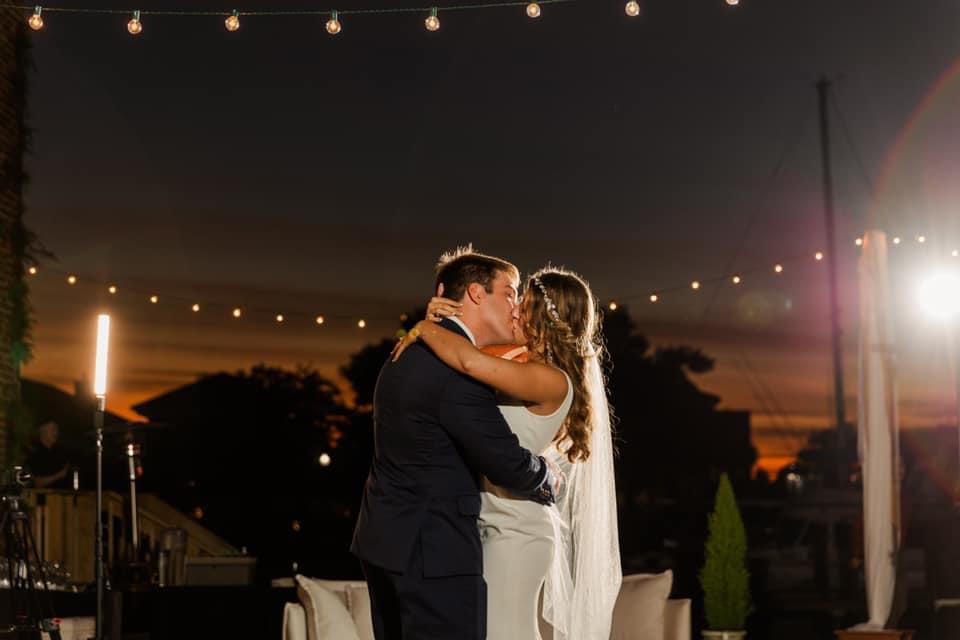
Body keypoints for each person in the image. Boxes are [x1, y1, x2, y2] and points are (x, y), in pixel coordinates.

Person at [393, 265, 622, 639]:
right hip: (492, 522)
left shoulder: (550, 379)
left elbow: (468, 360)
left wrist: (423, 328)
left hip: (518, 531)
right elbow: (465, 347)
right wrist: (444, 321)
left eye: (524, 305)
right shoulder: (519, 361)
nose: (513, 311)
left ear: (545, 319)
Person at [351, 247, 559, 640]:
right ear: (478, 294)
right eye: (510, 293)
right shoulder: (455, 371)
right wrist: (547, 474)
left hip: (383, 539)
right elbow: (504, 462)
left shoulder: (408, 351)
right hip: (434, 550)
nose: (517, 307)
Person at [25, 420, 70, 489]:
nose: (56, 433)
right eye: (53, 429)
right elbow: (37, 483)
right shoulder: (33, 454)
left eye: (57, 429)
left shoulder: (60, 452)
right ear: (42, 431)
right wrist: (59, 475)